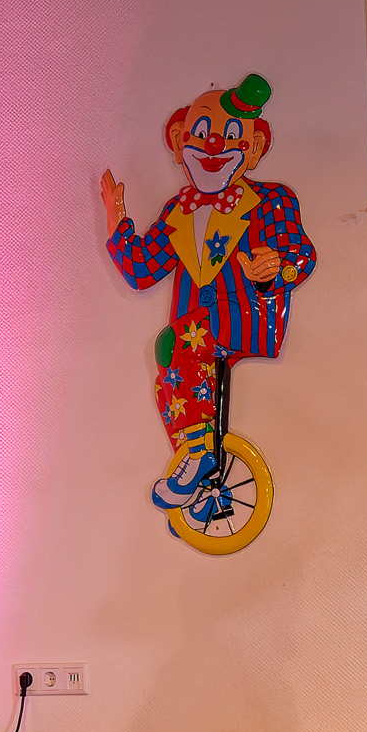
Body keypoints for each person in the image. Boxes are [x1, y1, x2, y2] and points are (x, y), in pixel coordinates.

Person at [99, 75, 316, 524]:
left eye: (230, 136)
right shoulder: (179, 209)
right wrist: (116, 220)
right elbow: (141, 270)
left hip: (249, 315)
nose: (214, 144)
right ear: (181, 142)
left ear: (253, 149)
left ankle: (198, 457)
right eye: (201, 134)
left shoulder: (270, 200)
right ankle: (203, 484)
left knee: (177, 341)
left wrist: (278, 265)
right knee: (166, 378)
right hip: (197, 327)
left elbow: (303, 253)